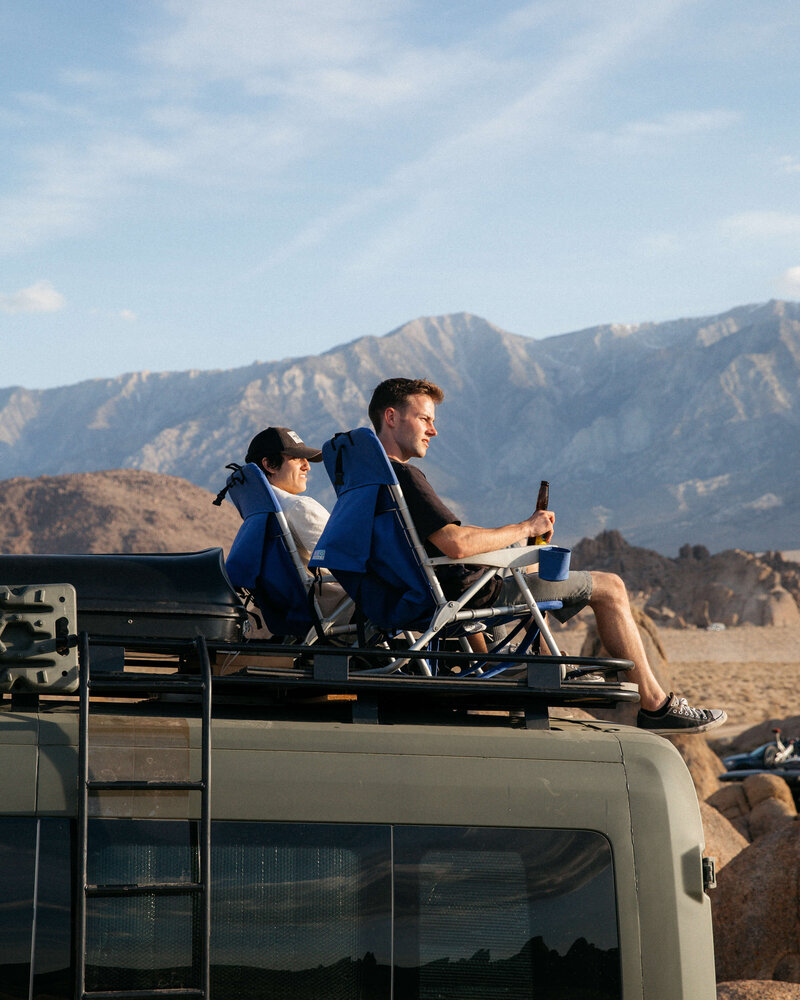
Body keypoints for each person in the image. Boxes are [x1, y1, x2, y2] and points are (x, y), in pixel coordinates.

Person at [368, 377, 726, 735]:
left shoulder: (369, 477)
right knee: (612, 587)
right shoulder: (405, 477)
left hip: (429, 591)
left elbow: (445, 542)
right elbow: (456, 545)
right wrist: (525, 528)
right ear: (392, 417)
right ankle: (655, 705)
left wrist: (510, 542)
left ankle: (543, 660)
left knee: (533, 563)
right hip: (460, 597)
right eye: (425, 419)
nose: (434, 430)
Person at [244, 426, 345, 617]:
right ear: (270, 465)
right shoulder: (299, 507)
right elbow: (344, 560)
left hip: (292, 611)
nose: (307, 466)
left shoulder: (260, 508)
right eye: (296, 458)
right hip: (339, 608)